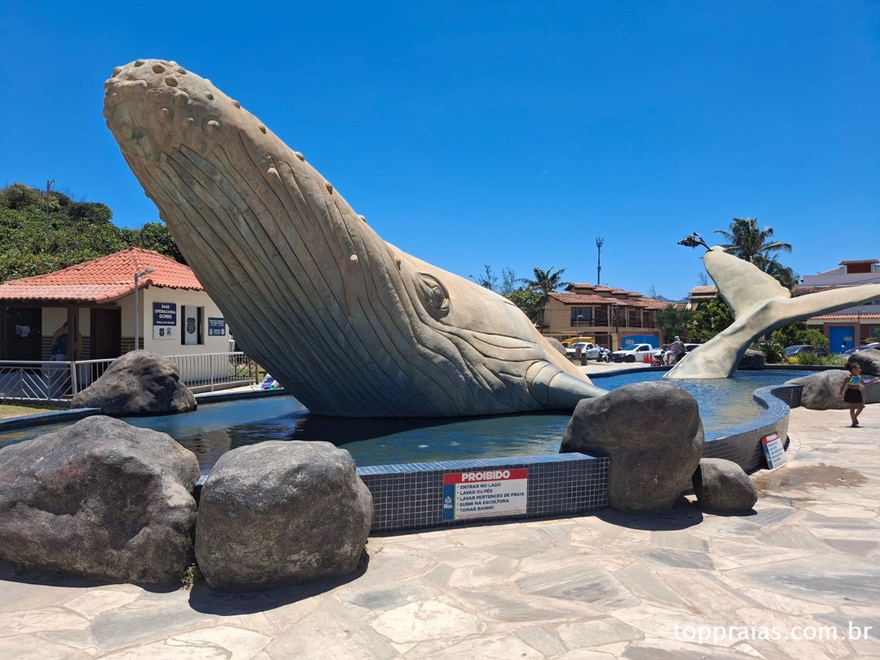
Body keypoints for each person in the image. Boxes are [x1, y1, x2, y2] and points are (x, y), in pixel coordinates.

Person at [839, 363, 878, 427]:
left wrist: (873, 381)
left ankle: (855, 417)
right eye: (858, 368)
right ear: (854, 369)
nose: (860, 370)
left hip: (857, 392)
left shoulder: (859, 377)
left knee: (861, 406)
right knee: (852, 408)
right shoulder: (849, 377)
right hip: (850, 392)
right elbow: (842, 386)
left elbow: (865, 384)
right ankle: (853, 422)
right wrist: (840, 394)